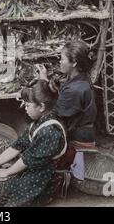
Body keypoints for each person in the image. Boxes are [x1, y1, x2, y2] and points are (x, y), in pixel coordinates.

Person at [0, 80, 66, 207]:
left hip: (43, 176)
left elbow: (28, 159)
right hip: (33, 166)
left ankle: (45, 197)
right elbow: (17, 146)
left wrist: (6, 172)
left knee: (11, 203)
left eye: (27, 105)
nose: (24, 109)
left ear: (41, 107)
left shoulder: (50, 131)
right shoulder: (37, 122)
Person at [35, 40, 97, 194]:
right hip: (82, 130)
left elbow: (55, 115)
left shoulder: (76, 89)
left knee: (37, 151)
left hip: (79, 140)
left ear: (74, 63)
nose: (60, 62)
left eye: (62, 59)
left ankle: (66, 173)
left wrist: (42, 82)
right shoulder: (81, 78)